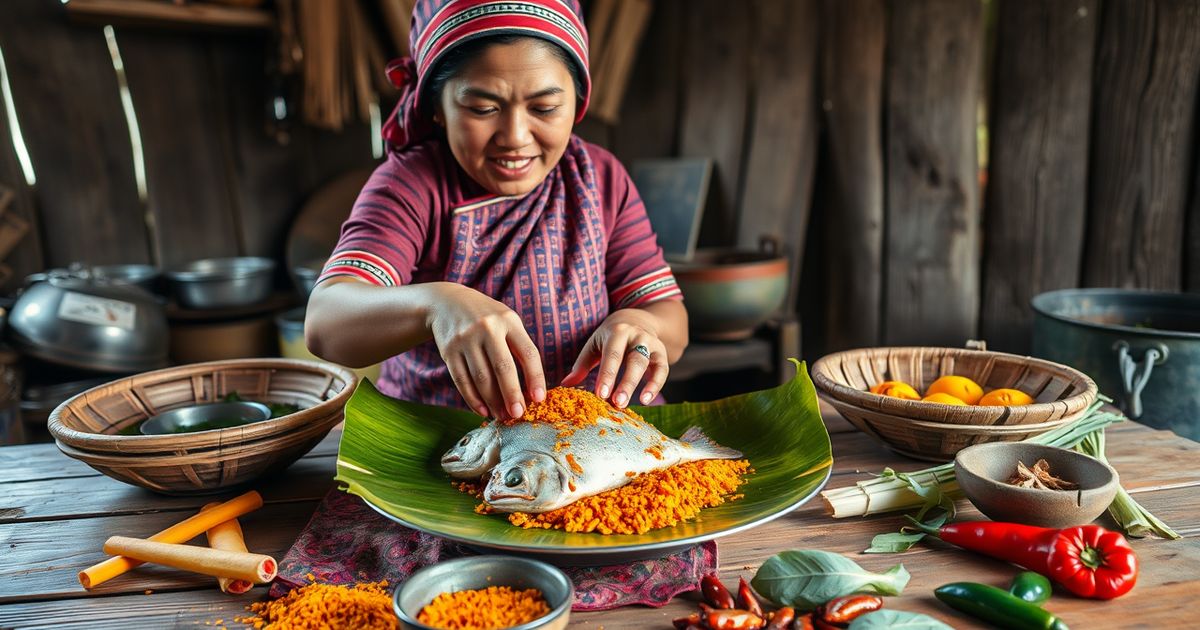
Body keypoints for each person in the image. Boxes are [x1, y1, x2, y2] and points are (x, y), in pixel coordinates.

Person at [305, 0, 687, 422]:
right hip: (450, 442)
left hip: (597, 439)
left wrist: (639, 325)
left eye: (544, 108)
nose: (515, 137)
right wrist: (437, 305)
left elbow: (671, 319)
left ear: (576, 102)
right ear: (436, 107)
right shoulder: (412, 184)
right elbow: (326, 323)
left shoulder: (599, 178)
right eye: (483, 109)